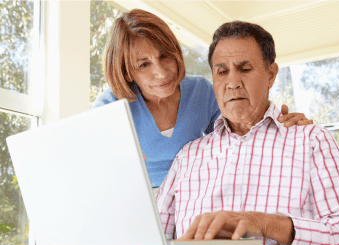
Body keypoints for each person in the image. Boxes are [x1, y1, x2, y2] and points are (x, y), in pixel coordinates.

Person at [156, 20, 339, 245]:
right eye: (222, 71)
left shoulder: (311, 141)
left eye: (245, 69)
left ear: (270, 74)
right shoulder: (188, 157)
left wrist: (265, 223)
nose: (233, 83)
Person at [92, 9, 312, 190]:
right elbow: (95, 172)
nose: (161, 72)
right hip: (138, 202)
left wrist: (281, 125)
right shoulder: (110, 108)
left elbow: (241, 130)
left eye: (164, 56)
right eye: (144, 64)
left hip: (196, 195)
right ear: (127, 71)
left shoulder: (200, 92)